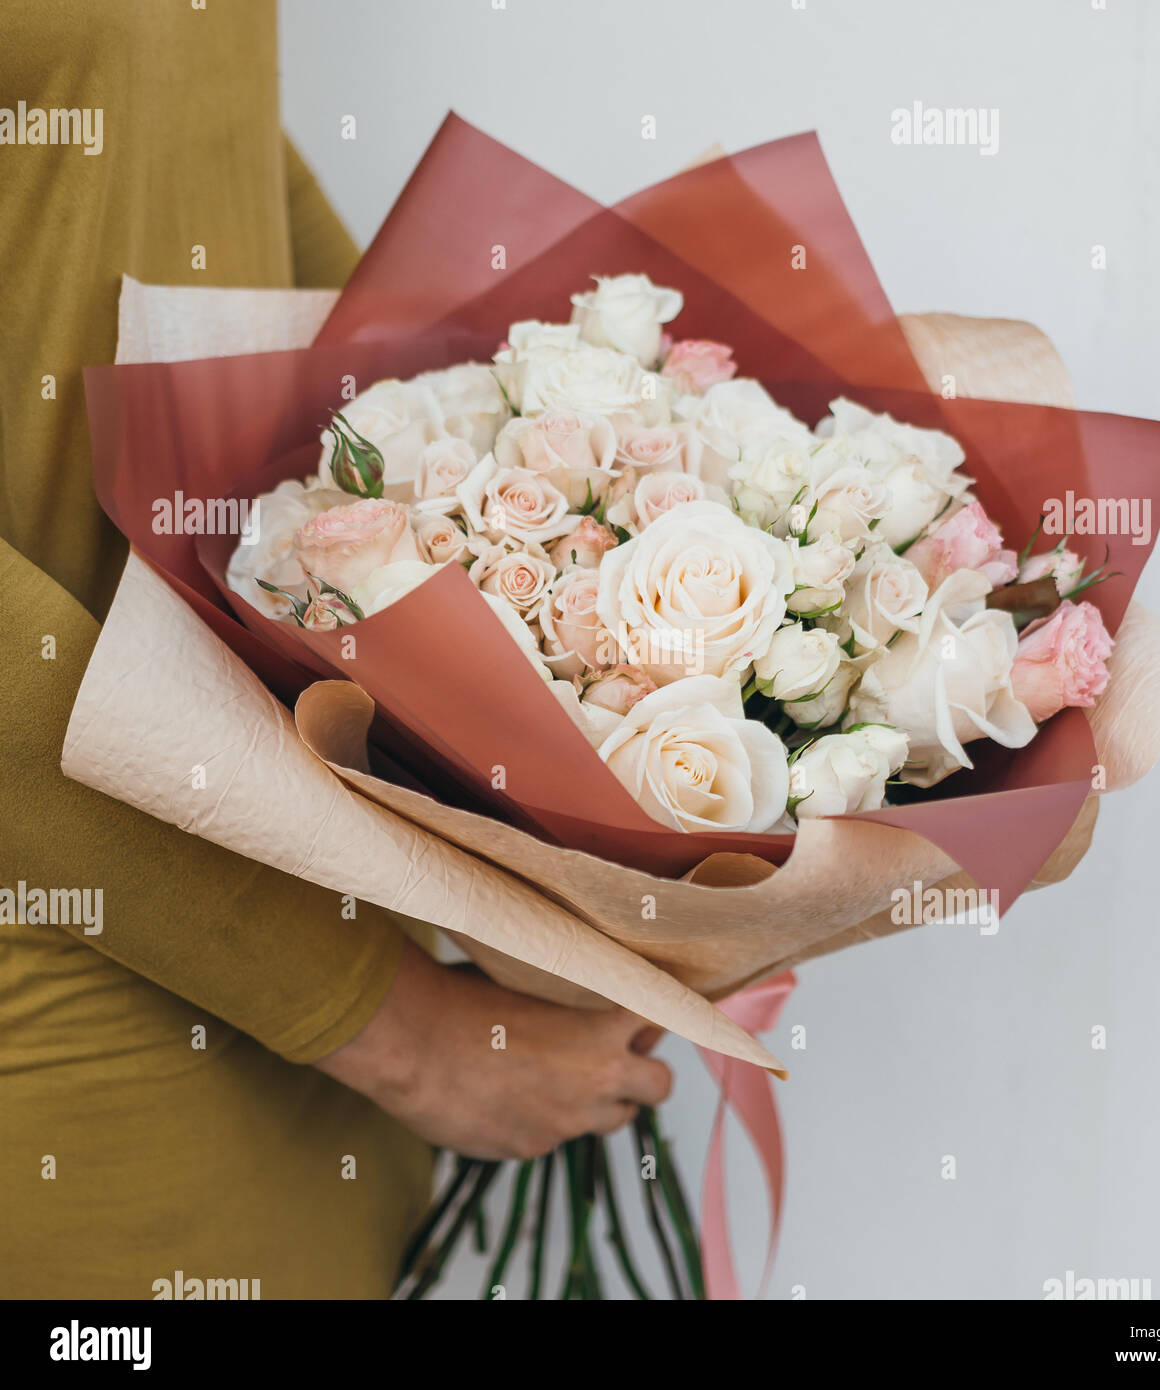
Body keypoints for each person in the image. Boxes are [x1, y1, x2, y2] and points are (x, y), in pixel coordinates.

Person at [0, 0, 670, 1299]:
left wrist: (579, 586)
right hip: (79, 995)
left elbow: (171, 135)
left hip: (298, 913)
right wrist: (402, 1034)